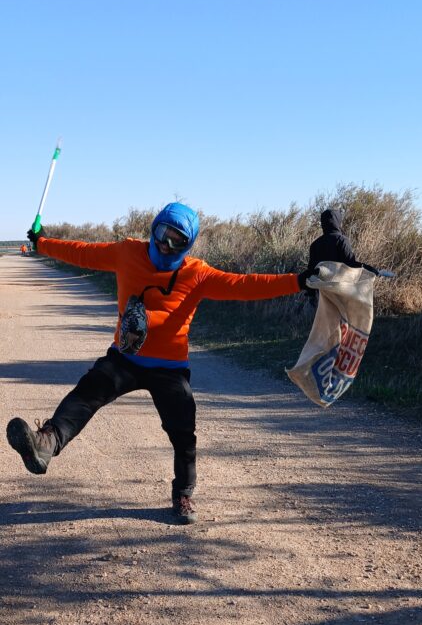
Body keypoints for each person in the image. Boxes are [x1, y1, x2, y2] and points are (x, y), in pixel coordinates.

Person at [7, 202, 309, 524]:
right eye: (163, 234)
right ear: (154, 229)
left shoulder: (197, 274)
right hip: (125, 358)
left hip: (169, 368)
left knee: (183, 433)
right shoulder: (127, 253)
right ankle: (46, 443)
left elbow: (245, 286)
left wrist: (300, 281)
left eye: (177, 240)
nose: (166, 244)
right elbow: (81, 253)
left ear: (188, 244)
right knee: (87, 393)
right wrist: (42, 243)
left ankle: (183, 495)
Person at [306, 208, 379, 278]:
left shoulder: (315, 244)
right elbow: (351, 264)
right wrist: (372, 270)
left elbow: (311, 268)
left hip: (319, 285)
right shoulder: (342, 240)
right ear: (338, 221)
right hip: (339, 284)